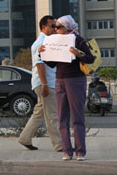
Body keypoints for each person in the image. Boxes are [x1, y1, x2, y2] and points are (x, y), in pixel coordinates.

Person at [39, 15, 94, 161]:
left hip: (75, 80)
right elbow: (52, 64)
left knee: (77, 117)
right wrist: (42, 53)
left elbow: (90, 58)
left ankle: (80, 151)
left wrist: (78, 54)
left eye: (58, 27)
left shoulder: (77, 39)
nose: (55, 29)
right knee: (62, 118)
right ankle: (67, 151)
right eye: (55, 27)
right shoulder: (54, 40)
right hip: (60, 79)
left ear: (67, 27)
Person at [18, 15, 62, 152]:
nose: (55, 28)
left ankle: (25, 138)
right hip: (45, 83)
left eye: (56, 26)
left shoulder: (49, 42)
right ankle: (60, 145)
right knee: (52, 115)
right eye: (52, 26)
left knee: (39, 113)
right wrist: (44, 84)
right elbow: (40, 65)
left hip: (46, 82)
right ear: (44, 27)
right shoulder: (40, 43)